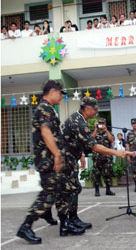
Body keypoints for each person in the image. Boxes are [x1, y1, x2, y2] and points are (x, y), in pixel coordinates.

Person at [16, 81, 85, 245]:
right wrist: (57, 155)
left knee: (64, 190)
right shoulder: (44, 109)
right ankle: (26, 226)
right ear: (53, 92)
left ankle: (64, 224)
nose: (61, 97)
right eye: (60, 94)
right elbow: (46, 132)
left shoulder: (49, 110)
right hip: (48, 160)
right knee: (49, 194)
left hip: (52, 160)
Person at [62, 97, 125, 228]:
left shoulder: (78, 119)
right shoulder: (79, 122)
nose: (96, 112)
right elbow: (94, 146)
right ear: (88, 109)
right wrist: (116, 152)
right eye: (95, 109)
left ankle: (72, 219)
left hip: (70, 158)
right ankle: (68, 222)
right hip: (65, 160)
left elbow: (77, 141)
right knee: (70, 190)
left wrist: (81, 155)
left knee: (74, 189)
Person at [92, 118, 115, 197]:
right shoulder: (95, 132)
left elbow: (111, 140)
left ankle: (108, 190)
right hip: (97, 157)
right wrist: (95, 129)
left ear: (105, 124)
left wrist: (106, 130)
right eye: (100, 123)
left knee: (107, 174)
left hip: (107, 157)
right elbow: (91, 139)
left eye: (103, 123)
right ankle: (97, 191)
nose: (101, 124)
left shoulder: (109, 132)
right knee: (96, 174)